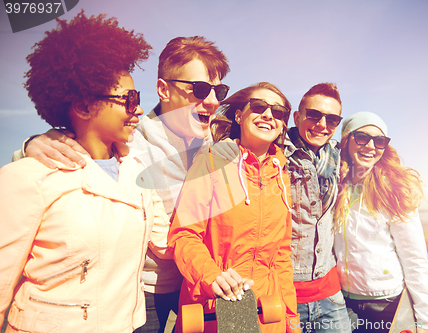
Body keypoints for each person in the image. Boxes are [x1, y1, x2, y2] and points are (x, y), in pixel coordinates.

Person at [12, 36, 231, 333]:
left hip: (196, 283)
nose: (213, 101)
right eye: (201, 89)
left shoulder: (214, 145)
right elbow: (71, 157)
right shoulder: (129, 141)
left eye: (219, 90)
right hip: (143, 293)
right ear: (163, 89)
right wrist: (32, 145)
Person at [0, 11, 172, 332]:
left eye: (137, 99)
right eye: (128, 99)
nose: (136, 110)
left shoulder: (138, 172)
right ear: (82, 106)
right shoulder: (27, 177)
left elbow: (167, 243)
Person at [168, 82, 300, 333]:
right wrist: (212, 277)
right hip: (212, 309)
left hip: (267, 315)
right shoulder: (210, 161)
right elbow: (184, 235)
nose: (268, 115)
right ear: (239, 115)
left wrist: (292, 323)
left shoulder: (281, 174)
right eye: (259, 106)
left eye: (278, 112)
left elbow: (281, 256)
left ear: (283, 124)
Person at [333, 112, 428, 332]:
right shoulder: (334, 184)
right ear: (346, 139)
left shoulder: (394, 190)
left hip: (386, 304)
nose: (371, 146)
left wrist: (426, 321)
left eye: (379, 140)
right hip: (342, 302)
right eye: (362, 137)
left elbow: (415, 258)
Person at [286, 83, 351, 333]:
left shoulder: (338, 158)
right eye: (313, 115)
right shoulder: (275, 154)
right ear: (297, 117)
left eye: (332, 119)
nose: (322, 124)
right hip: (286, 292)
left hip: (330, 295)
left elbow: (373, 154)